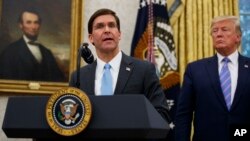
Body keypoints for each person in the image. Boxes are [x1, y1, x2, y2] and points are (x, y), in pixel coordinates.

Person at [69, 8, 170, 123]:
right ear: (91, 38)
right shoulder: (79, 77)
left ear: (119, 34)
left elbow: (162, 114)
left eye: (111, 25)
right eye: (100, 26)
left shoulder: (144, 70)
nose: (107, 30)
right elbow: (73, 120)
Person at [175, 16, 250, 141]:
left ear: (238, 37)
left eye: (225, 29)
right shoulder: (195, 69)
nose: (218, 34)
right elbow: (183, 114)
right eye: (215, 31)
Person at [0, 9, 65, 82]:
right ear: (21, 25)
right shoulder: (9, 52)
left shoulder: (47, 53)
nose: (33, 27)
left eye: (36, 22)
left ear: (39, 25)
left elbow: (59, 82)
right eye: (29, 22)